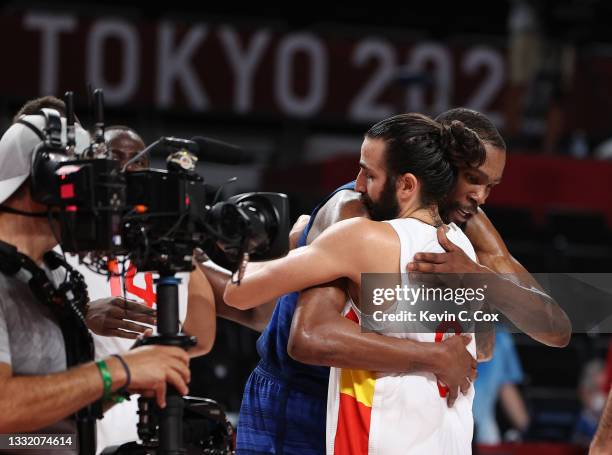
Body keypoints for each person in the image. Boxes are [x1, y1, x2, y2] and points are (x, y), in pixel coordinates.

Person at [200, 107, 571, 454]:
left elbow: (548, 332)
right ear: (439, 164)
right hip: (301, 393)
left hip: (374, 401)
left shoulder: (464, 232)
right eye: (473, 180)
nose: (482, 197)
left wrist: (479, 283)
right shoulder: (359, 209)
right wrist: (435, 354)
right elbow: (309, 336)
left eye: (491, 185)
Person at [0, 112, 190, 453]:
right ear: (47, 180)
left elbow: (53, 425)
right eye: (93, 184)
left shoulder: (52, 274)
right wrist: (118, 370)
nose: (105, 205)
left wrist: (125, 384)